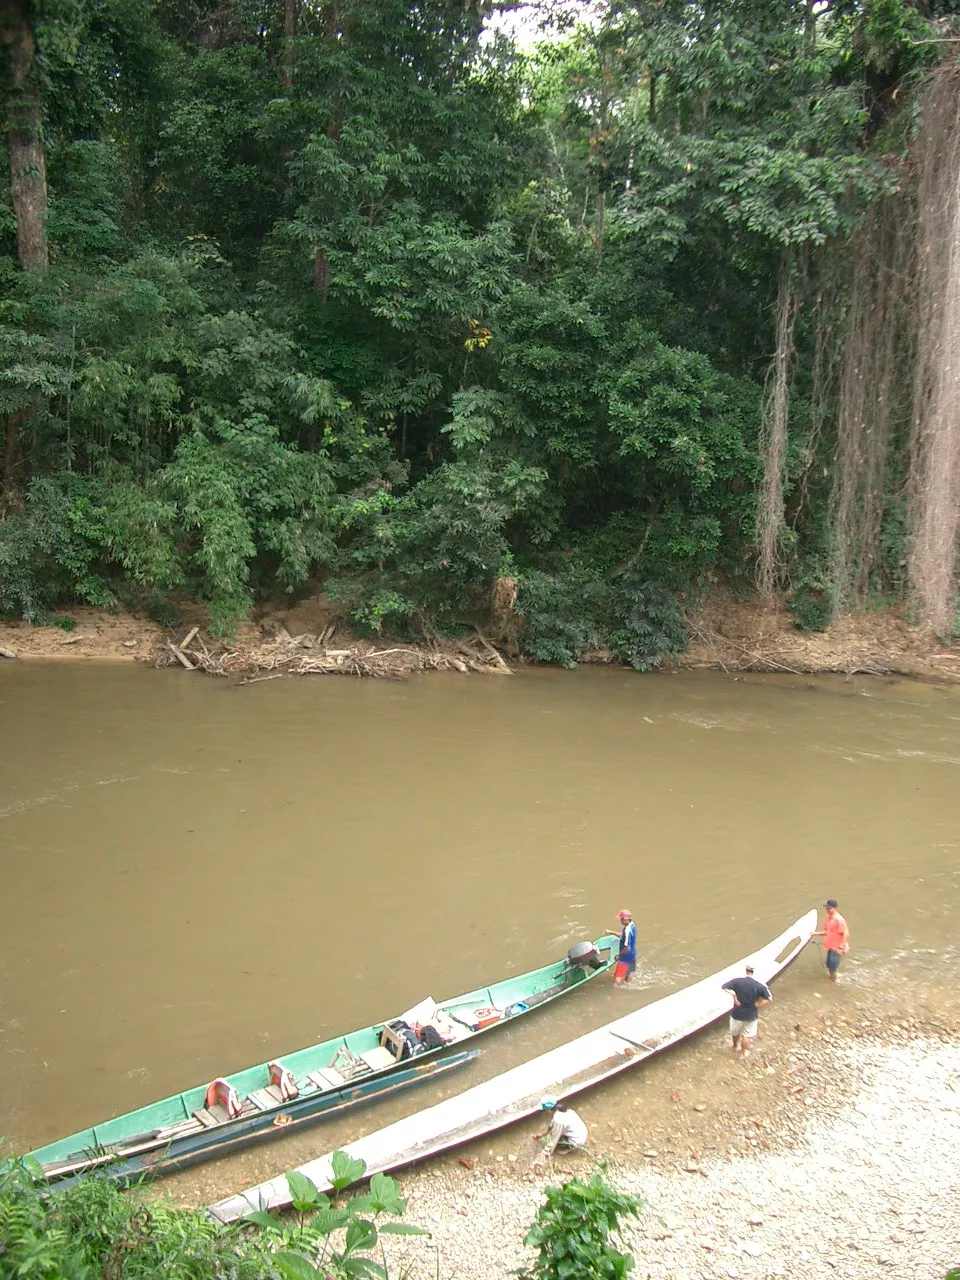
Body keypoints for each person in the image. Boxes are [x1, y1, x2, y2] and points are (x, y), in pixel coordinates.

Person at [721, 964, 773, 1057]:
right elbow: (769, 998)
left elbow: (724, 987)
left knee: (735, 1032)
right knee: (746, 1036)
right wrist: (758, 1005)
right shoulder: (760, 985)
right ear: (754, 972)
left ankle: (734, 1045)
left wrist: (734, 996)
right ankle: (743, 1053)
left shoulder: (737, 981)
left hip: (737, 1013)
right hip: (751, 1014)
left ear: (746, 971)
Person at [532, 1097, 588, 1164]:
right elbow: (552, 1127)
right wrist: (542, 1135)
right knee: (553, 1135)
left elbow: (553, 1139)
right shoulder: (565, 1110)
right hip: (582, 1133)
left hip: (577, 1140)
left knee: (553, 1141)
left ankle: (568, 1148)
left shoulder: (558, 1120)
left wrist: (544, 1153)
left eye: (545, 1110)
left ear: (548, 1110)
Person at [813, 899, 850, 982]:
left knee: (832, 967)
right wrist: (815, 933)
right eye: (826, 908)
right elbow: (827, 931)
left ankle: (832, 982)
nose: (827, 910)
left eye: (829, 908)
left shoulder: (839, 920)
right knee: (828, 965)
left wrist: (841, 946)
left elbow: (846, 933)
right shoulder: (828, 918)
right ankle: (832, 978)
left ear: (834, 908)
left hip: (837, 948)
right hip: (830, 946)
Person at [614, 909, 636, 987]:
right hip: (632, 955)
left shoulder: (627, 930)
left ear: (626, 920)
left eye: (621, 919)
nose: (620, 921)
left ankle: (616, 997)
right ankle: (630, 988)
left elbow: (627, 948)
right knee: (628, 974)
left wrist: (618, 955)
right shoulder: (632, 924)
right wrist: (611, 932)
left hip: (625, 957)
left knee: (617, 980)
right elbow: (623, 936)